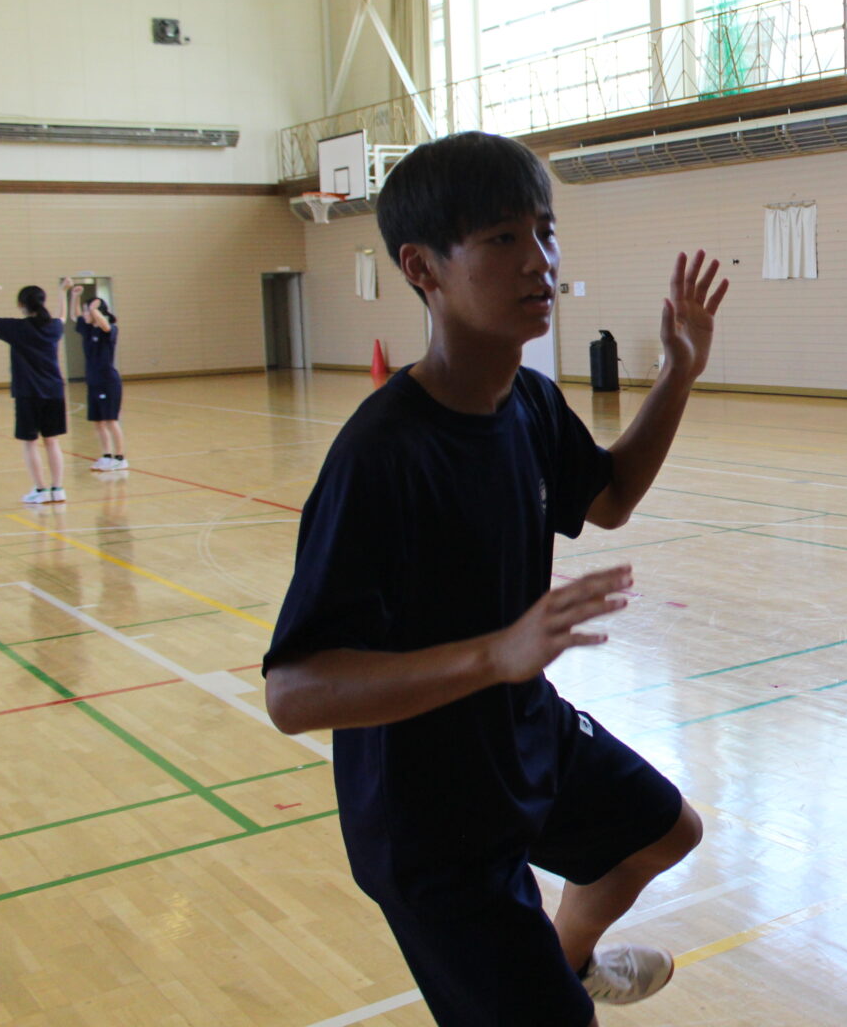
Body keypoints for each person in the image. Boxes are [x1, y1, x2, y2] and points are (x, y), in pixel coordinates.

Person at [261, 132, 728, 1026]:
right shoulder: (382, 455)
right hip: (426, 812)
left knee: (658, 834)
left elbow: (613, 497)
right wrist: (495, 654)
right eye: (503, 240)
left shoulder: (528, 401)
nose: (539, 261)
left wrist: (678, 372)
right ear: (422, 268)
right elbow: (294, 692)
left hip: (521, 734)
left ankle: (562, 966)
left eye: (545, 234)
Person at [0, 282, 68, 504]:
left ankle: (41, 490)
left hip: (28, 392)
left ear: (21, 304)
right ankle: (58, 488)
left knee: (30, 442)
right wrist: (62, 292)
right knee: (52, 441)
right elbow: (62, 317)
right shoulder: (53, 326)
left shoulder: (17, 328)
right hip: (54, 391)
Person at [64, 278, 128, 471]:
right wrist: (74, 297)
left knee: (111, 420)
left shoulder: (109, 330)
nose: (85, 313)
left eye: (88, 310)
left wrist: (94, 307)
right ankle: (106, 456)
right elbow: (75, 317)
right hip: (93, 381)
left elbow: (105, 325)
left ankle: (120, 458)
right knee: (98, 422)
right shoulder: (88, 329)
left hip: (108, 381)